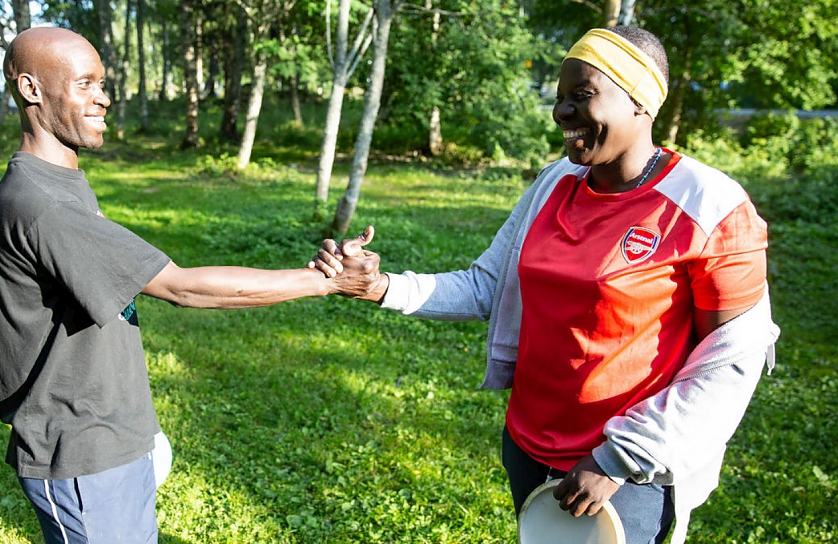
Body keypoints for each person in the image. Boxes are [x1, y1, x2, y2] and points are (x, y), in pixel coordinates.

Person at [311, 26, 779, 544]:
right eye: (559, 98)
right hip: (527, 446)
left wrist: (618, 459)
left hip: (624, 473)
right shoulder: (555, 183)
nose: (561, 112)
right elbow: (486, 285)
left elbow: (732, 360)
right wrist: (380, 286)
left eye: (582, 95)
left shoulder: (710, 205)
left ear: (640, 102)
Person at [0, 27, 382, 544]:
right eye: (85, 84)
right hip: (80, 451)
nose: (104, 97)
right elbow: (180, 286)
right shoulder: (43, 205)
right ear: (31, 90)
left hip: (112, 431)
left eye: (103, 83)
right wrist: (323, 283)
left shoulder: (60, 182)